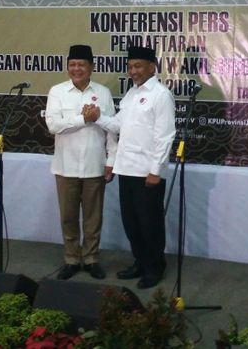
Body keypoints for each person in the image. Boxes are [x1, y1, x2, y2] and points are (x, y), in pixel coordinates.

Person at [88, 46, 176, 289]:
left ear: (152, 67)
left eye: (138, 66)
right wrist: (98, 118)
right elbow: (117, 126)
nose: (133, 71)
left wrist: (156, 171)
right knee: (132, 222)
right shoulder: (130, 94)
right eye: (130, 67)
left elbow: (165, 136)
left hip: (147, 173)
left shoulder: (160, 94)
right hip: (126, 169)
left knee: (151, 223)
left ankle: (155, 267)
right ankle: (140, 261)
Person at [45, 45, 117, 280]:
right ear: (68, 67)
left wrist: (112, 160)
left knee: (93, 217)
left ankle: (91, 258)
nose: (76, 69)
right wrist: (83, 119)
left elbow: (111, 131)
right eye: (72, 65)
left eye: (81, 65)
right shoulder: (57, 92)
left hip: (95, 164)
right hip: (65, 165)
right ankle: (72, 258)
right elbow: (53, 126)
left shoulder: (103, 92)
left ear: (91, 68)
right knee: (68, 216)